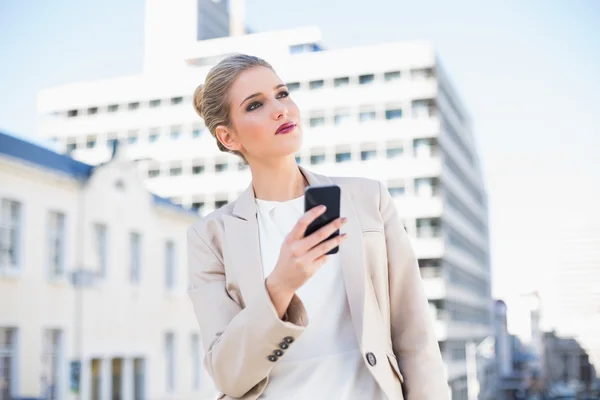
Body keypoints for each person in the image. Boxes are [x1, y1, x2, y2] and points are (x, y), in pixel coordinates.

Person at [187, 53, 448, 400]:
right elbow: (229, 376)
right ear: (229, 137)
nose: (281, 109)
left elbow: (415, 337)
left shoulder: (367, 199)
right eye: (255, 105)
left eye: (282, 94)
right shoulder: (210, 237)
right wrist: (279, 288)